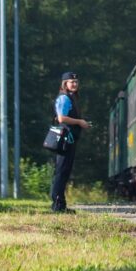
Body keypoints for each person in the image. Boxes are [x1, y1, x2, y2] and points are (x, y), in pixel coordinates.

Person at [50, 71, 90, 213]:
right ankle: (57, 205)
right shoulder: (64, 99)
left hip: (70, 139)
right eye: (71, 82)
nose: (74, 84)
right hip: (65, 140)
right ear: (65, 84)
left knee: (65, 171)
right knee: (61, 171)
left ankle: (61, 204)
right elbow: (61, 118)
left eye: (76, 82)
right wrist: (79, 121)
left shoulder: (71, 98)